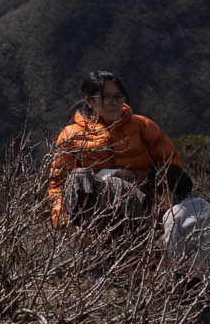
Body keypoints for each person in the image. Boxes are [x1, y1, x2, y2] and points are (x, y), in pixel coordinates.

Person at [47, 71, 181, 229]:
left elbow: (172, 169)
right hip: (93, 218)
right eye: (105, 98)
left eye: (118, 97)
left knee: (116, 184)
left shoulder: (143, 127)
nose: (113, 103)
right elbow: (58, 182)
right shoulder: (71, 136)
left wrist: (138, 178)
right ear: (89, 101)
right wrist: (61, 221)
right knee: (78, 176)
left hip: (142, 207)